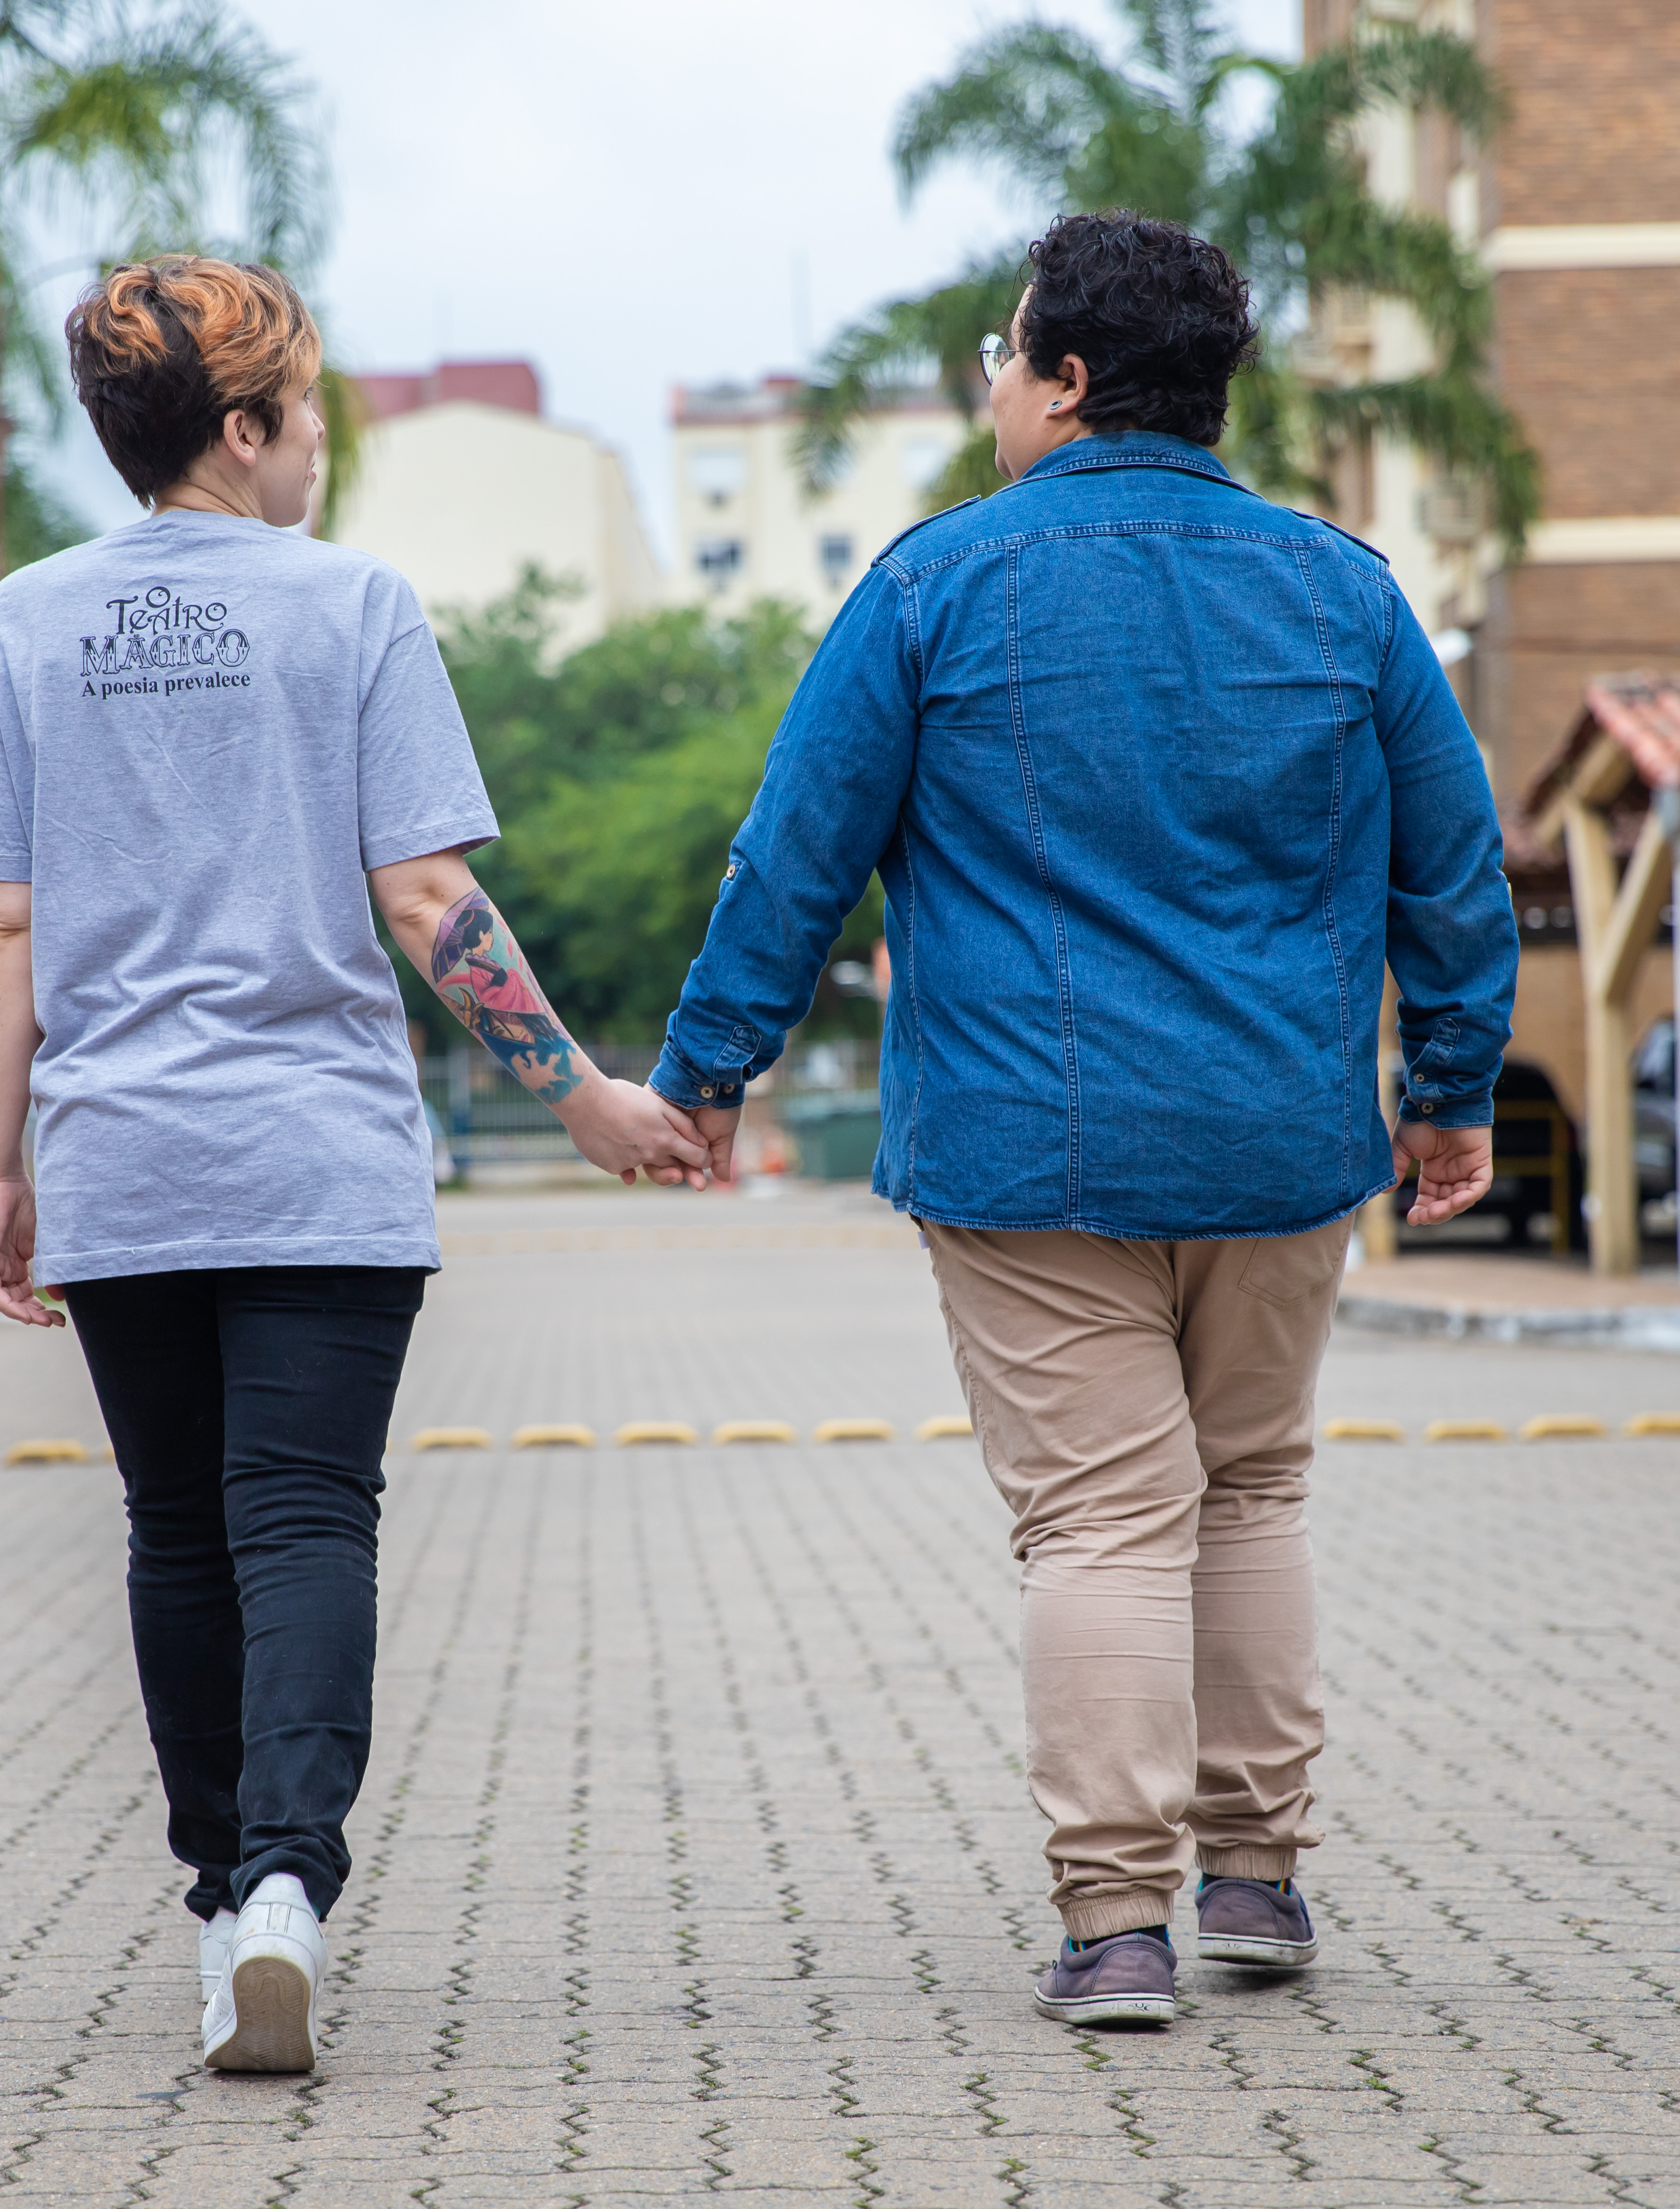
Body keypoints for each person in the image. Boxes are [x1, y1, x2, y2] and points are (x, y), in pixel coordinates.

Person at [649, 211, 1516, 2028]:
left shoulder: (930, 588)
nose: (991, 387)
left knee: (1106, 1522)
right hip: (1281, 1138)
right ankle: (1257, 1882)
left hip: (1025, 1148)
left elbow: (795, 854)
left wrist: (708, 1074)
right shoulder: (1347, 592)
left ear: (1063, 379)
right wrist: (1450, 1093)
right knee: (1252, 1488)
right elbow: (1453, 868)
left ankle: (1119, 1924)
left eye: (1002, 356)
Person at [0, 254, 709, 2076]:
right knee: (302, 1519)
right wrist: (582, 1095)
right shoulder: (354, 605)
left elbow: (2, 924)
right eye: (305, 417)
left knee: (174, 1531)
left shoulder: (27, 623)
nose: (317, 450)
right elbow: (429, 897)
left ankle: (224, 1908)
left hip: (123, 1159)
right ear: (242, 427)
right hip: (317, 1161)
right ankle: (290, 1882)